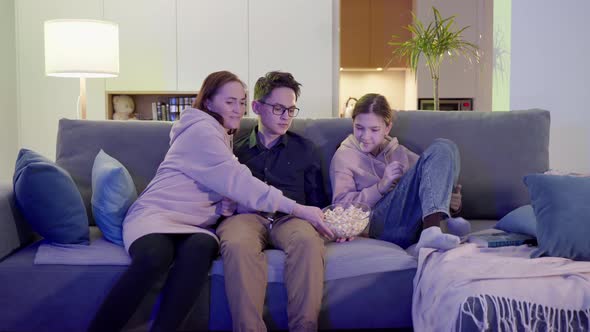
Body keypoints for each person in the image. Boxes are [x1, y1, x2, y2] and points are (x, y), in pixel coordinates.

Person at [88, 71, 325, 332]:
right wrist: (298, 208)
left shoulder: (223, 135)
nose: (237, 109)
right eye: (230, 101)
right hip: (158, 215)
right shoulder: (204, 132)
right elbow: (237, 180)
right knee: (156, 257)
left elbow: (221, 184)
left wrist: (226, 205)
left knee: (201, 247)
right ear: (209, 102)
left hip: (194, 225)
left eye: (241, 102)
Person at [216, 71, 333, 332]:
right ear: (257, 106)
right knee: (236, 244)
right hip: (245, 218)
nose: (285, 117)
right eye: (279, 108)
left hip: (292, 218)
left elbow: (318, 202)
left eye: (291, 110)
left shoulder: (306, 149)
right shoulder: (234, 149)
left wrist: (332, 225)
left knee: (307, 242)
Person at [329, 93, 470, 250]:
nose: (365, 136)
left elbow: (428, 182)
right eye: (359, 128)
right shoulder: (343, 156)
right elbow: (339, 208)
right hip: (377, 224)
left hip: (410, 224)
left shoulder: (399, 151)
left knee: (444, 146)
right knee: (441, 149)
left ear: (387, 128)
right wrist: (380, 187)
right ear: (353, 123)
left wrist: (451, 201)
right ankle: (436, 229)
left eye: (374, 129)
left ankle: (435, 226)